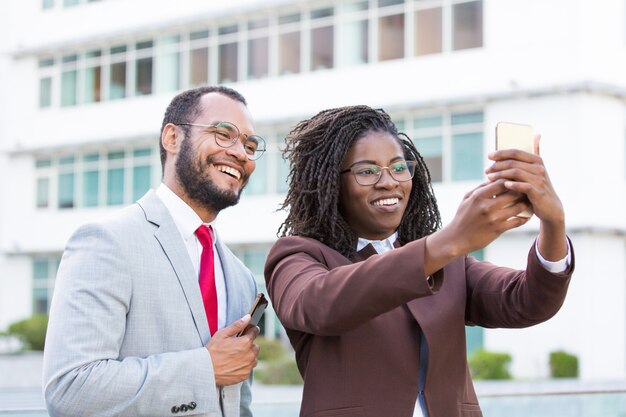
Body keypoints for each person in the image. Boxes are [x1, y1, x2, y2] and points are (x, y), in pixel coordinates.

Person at [264, 105, 574, 417]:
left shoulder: (447, 259)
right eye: (367, 171)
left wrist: (553, 221)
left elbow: (529, 301)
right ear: (331, 184)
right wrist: (447, 242)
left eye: (399, 167)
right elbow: (320, 305)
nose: (389, 182)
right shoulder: (297, 255)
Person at [43, 86, 265, 417]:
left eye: (249, 145)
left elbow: (236, 402)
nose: (240, 153)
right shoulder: (106, 242)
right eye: (224, 135)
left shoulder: (241, 277)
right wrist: (205, 369)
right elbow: (71, 390)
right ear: (172, 138)